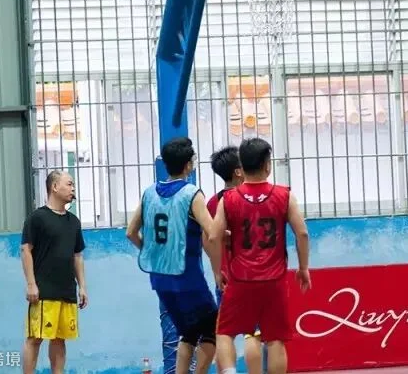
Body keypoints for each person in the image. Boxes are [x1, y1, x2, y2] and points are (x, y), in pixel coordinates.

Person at [213, 137, 311, 374]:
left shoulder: (228, 199)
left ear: (242, 166)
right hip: (274, 280)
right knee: (275, 339)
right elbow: (302, 233)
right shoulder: (284, 195)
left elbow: (214, 237)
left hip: (240, 279)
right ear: (267, 165)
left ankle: (229, 372)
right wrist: (303, 268)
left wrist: (217, 271)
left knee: (225, 333)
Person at [126, 137, 221, 374]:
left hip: (159, 278)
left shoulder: (149, 193)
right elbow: (212, 233)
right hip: (187, 276)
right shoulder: (191, 193)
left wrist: (152, 253)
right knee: (212, 329)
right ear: (189, 165)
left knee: (187, 333)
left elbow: (131, 232)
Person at [20, 170, 88, 374]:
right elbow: (26, 250)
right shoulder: (37, 218)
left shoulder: (73, 222)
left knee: (60, 339)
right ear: (54, 187)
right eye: (69, 184)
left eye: (73, 185)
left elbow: (77, 256)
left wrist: (82, 287)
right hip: (44, 290)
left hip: (66, 290)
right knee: (35, 338)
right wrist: (31, 284)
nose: (73, 188)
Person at [207, 146, 263, 374]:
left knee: (225, 333)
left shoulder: (212, 203)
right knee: (253, 333)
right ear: (239, 171)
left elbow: (209, 239)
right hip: (252, 275)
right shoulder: (254, 198)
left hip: (225, 278)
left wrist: (216, 270)